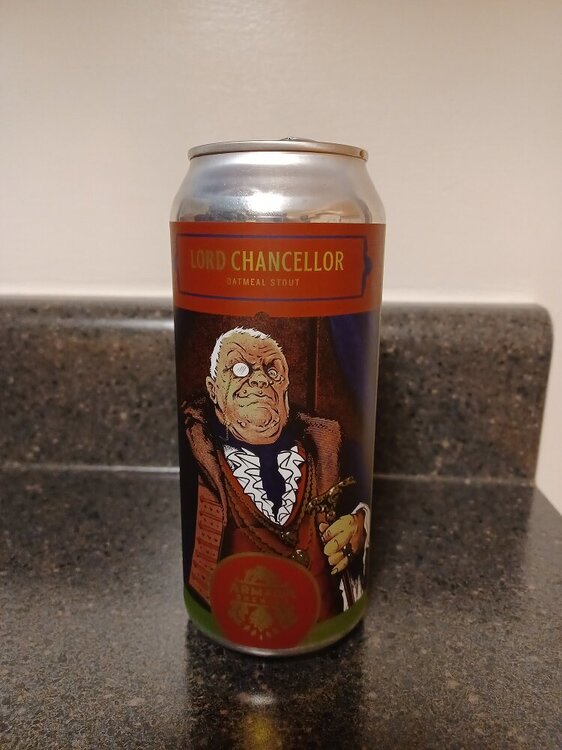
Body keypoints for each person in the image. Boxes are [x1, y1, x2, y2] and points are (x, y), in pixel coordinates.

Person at [181, 326, 369, 621]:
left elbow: (362, 502)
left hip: (325, 617)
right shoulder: (193, 456)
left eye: (272, 371)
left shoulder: (331, 447)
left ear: (285, 388)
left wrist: (360, 525)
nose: (259, 380)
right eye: (240, 368)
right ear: (213, 389)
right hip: (233, 619)